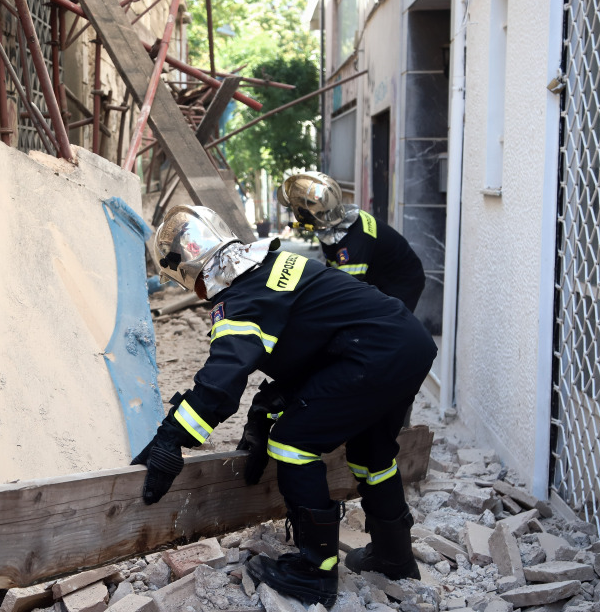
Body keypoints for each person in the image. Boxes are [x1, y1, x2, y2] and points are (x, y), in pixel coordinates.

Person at [131, 205, 438, 606]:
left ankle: (315, 572)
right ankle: (394, 557)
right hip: (406, 344)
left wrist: (171, 437)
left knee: (293, 442)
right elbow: (313, 341)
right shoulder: (274, 260)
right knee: (372, 451)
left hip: (371, 355)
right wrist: (264, 408)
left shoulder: (239, 301)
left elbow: (221, 382)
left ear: (188, 273)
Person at [278, 172, 426, 311]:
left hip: (402, 280)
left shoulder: (355, 241)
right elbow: (333, 271)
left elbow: (346, 290)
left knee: (385, 323)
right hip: (378, 276)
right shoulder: (338, 225)